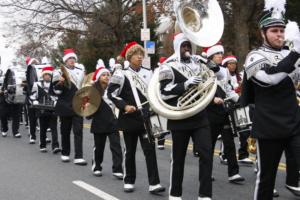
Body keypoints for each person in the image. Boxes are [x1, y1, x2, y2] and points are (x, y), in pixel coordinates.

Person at [241, 3, 300, 199]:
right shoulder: (255, 56)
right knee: (266, 179)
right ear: (263, 33)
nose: (280, 35)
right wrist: (294, 54)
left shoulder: (289, 54)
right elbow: (270, 79)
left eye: (282, 30)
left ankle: (293, 182)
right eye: (274, 31)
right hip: (269, 126)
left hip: (293, 122)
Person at [159, 33, 214, 200]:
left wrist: (207, 62)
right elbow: (163, 92)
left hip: (200, 116)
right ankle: (175, 194)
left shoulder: (198, 63)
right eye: (184, 45)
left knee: (206, 154)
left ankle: (205, 194)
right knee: (178, 158)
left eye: (189, 45)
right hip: (180, 117)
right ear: (177, 47)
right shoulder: (168, 66)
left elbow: (216, 76)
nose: (187, 49)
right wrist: (185, 84)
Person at [107, 42, 165, 194]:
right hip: (129, 118)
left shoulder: (149, 72)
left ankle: (154, 183)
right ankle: (129, 180)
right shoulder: (121, 74)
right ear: (129, 57)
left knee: (150, 150)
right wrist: (125, 106)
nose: (140, 57)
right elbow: (111, 94)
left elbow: (154, 93)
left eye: (141, 54)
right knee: (130, 151)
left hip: (146, 118)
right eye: (136, 54)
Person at [203, 44, 245, 183]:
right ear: (210, 57)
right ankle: (206, 174)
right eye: (217, 54)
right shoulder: (203, 70)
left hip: (224, 112)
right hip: (210, 112)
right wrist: (212, 99)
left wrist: (238, 99)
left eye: (221, 53)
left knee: (229, 143)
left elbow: (228, 88)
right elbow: (200, 91)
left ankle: (233, 173)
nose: (220, 56)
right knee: (209, 145)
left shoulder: (224, 71)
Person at [52, 49, 87, 165]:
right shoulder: (59, 72)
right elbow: (55, 91)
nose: (72, 60)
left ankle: (79, 156)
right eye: (69, 59)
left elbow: (84, 87)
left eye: (73, 59)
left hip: (78, 105)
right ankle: (65, 153)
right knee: (65, 131)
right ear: (66, 60)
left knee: (78, 131)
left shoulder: (81, 71)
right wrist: (60, 84)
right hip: (64, 105)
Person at [88, 66, 123, 179]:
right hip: (99, 122)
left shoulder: (113, 90)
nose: (107, 77)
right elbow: (86, 108)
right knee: (99, 147)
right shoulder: (93, 91)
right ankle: (97, 166)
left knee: (116, 146)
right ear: (98, 78)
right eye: (104, 75)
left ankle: (117, 169)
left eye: (108, 75)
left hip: (112, 122)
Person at [222, 55, 253, 164]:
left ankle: (243, 155)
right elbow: (226, 90)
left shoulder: (240, 76)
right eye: (230, 63)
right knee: (228, 132)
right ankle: (224, 154)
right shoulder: (223, 75)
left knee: (245, 131)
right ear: (226, 65)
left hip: (240, 105)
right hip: (229, 106)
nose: (233, 65)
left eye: (234, 63)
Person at [30, 66, 61, 153]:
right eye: (45, 75)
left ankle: (55, 146)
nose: (47, 76)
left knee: (54, 128)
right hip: (42, 109)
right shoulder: (37, 84)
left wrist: (57, 102)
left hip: (53, 109)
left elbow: (58, 95)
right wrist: (35, 101)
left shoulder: (55, 85)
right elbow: (32, 96)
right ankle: (42, 145)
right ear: (43, 76)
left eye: (49, 75)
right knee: (43, 128)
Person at [0, 60, 24, 138]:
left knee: (17, 114)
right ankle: (4, 128)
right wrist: (3, 89)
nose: (14, 66)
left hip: (19, 92)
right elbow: (3, 84)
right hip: (6, 94)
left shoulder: (22, 73)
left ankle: (15, 131)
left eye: (16, 64)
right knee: (3, 114)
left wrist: (24, 85)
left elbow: (26, 83)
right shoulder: (5, 72)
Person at [24, 56, 39, 143]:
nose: (34, 64)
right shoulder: (27, 71)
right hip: (30, 97)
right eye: (32, 62)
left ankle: (43, 136)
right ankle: (32, 136)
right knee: (31, 117)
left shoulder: (38, 70)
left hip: (39, 96)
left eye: (35, 62)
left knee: (41, 118)